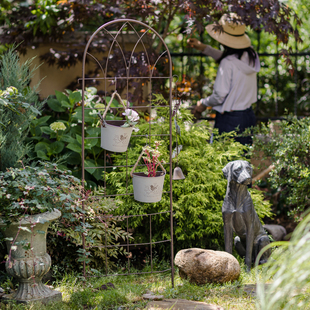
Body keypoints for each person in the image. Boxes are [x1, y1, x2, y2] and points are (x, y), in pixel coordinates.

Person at [188, 13, 260, 145]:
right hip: (247, 116)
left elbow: (219, 95)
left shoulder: (227, 63)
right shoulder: (250, 55)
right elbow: (231, 60)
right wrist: (205, 48)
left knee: (223, 162)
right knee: (243, 160)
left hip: (230, 119)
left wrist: (203, 104)